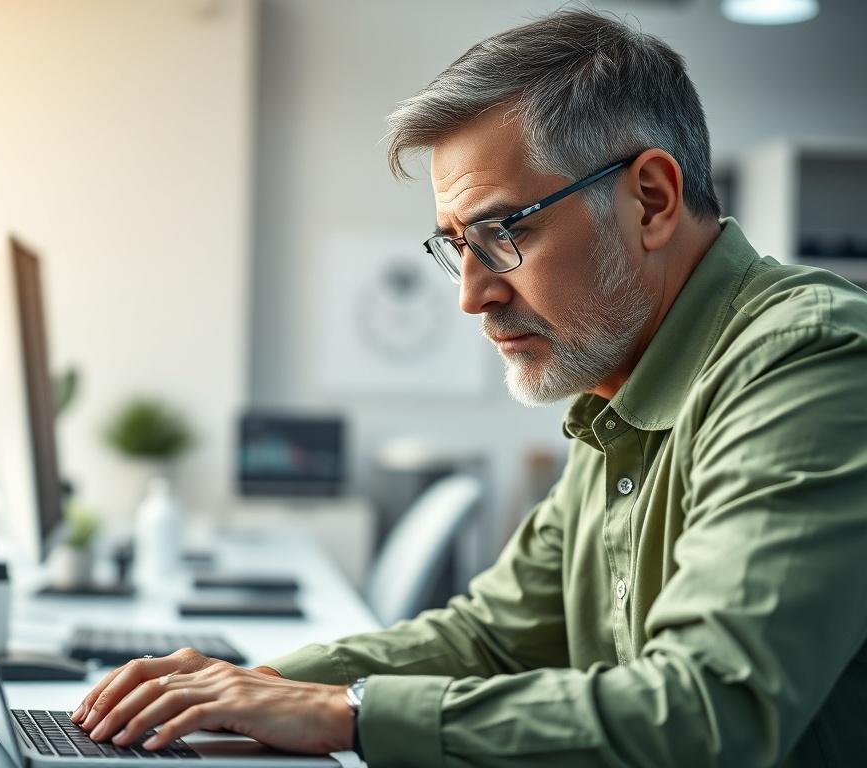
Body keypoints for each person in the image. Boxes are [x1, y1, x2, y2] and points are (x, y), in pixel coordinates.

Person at [72, 9, 867, 766]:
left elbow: (707, 710)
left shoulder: (806, 360)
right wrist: (258, 688)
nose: (472, 293)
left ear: (651, 200)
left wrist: (347, 712)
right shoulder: (617, 390)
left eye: (503, 230)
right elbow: (492, 636)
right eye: (458, 245)